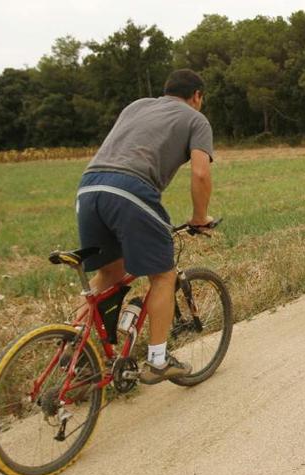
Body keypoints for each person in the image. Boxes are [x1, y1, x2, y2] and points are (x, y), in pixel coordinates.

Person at [76, 69, 215, 384]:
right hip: (130, 190)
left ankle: (74, 349)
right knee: (163, 275)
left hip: (89, 187)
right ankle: (158, 359)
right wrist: (199, 217)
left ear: (166, 91)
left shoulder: (136, 106)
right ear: (197, 96)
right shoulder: (197, 120)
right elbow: (201, 174)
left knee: (108, 274)